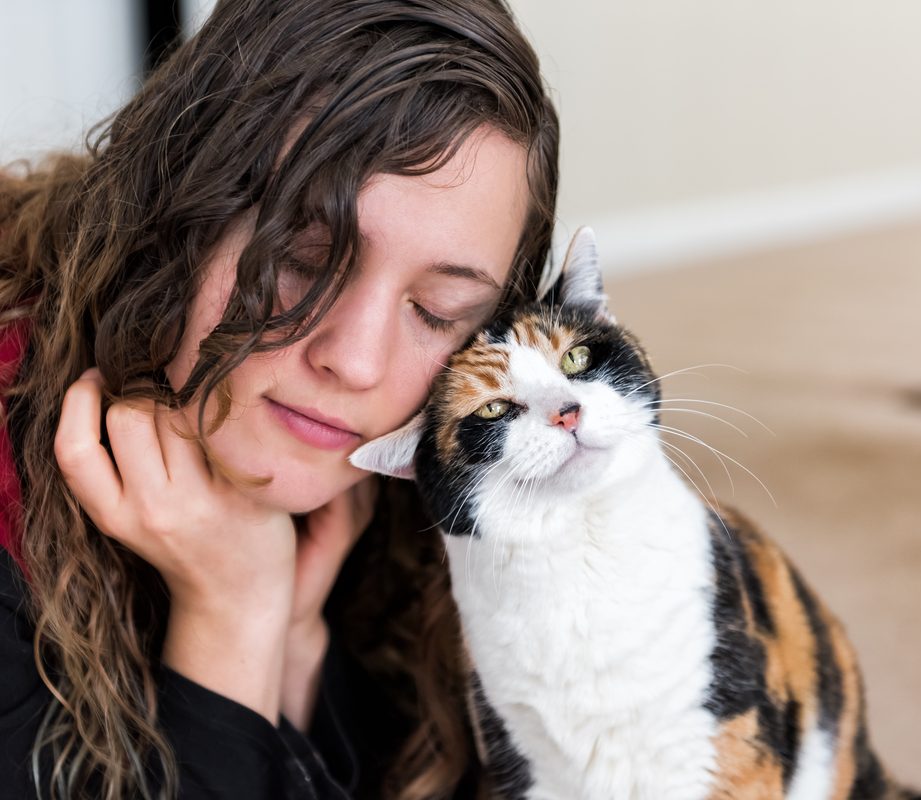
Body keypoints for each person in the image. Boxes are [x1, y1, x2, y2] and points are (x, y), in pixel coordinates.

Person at [0, 1, 559, 797]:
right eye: (302, 258)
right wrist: (231, 619)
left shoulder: (423, 467)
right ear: (175, 207)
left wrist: (292, 647)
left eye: (438, 311)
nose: (359, 363)